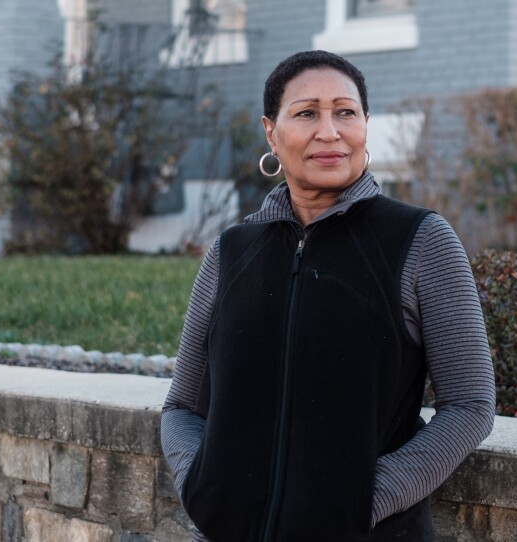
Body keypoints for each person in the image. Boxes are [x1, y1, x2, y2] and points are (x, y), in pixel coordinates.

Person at [161, 50, 495, 542]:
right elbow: (181, 407)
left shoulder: (420, 240)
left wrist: (361, 501)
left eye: (345, 111)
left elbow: (470, 405)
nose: (330, 131)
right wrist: (203, 488)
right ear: (271, 132)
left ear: (365, 124)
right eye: (306, 113)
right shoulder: (231, 251)